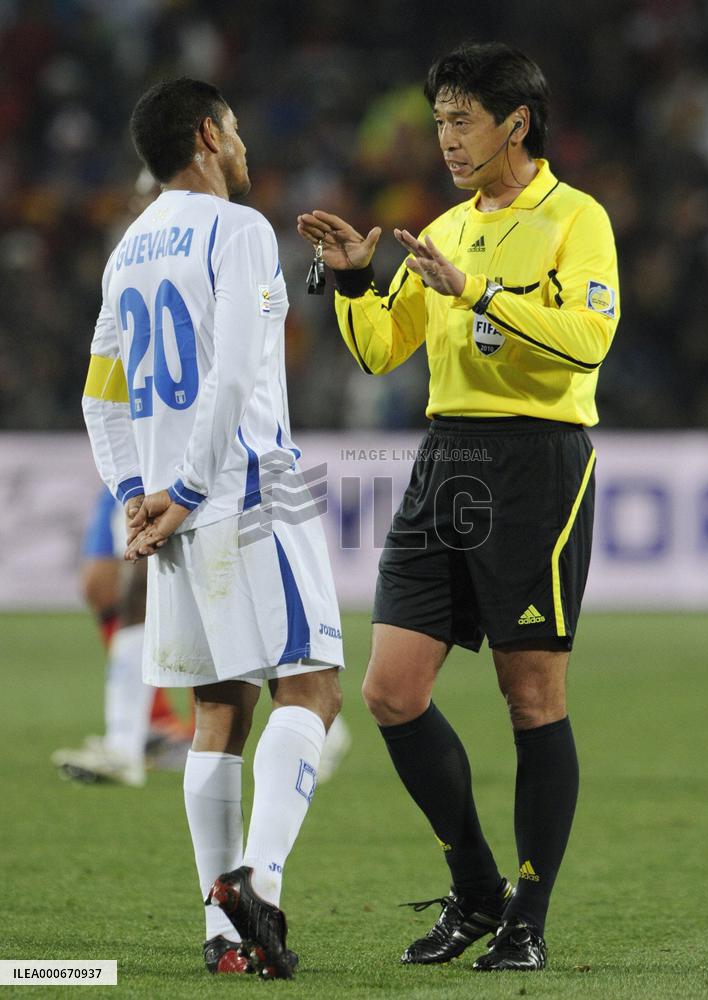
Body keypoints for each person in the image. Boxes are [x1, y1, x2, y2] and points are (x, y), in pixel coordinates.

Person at [298, 41, 619, 972]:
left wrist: (475, 291)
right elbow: (379, 351)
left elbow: (588, 340)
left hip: (536, 462)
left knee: (530, 697)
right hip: (447, 460)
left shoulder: (575, 219)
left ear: (514, 124)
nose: (443, 137)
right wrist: (358, 278)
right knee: (390, 692)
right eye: (437, 119)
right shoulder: (441, 224)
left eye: (460, 119)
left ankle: (527, 916)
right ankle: (476, 889)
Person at [82, 77, 344, 979]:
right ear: (206, 135)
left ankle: (223, 941)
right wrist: (191, 489)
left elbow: (98, 397)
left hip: (170, 507)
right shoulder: (237, 232)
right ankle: (257, 889)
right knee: (312, 689)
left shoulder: (127, 253)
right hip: (251, 485)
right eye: (232, 131)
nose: (241, 146)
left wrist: (135, 498)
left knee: (216, 711)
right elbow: (234, 372)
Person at [52, 489, 192, 788]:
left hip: (178, 471)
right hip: (126, 476)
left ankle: (194, 734)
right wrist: (127, 484)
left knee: (149, 586)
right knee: (101, 586)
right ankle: (148, 728)